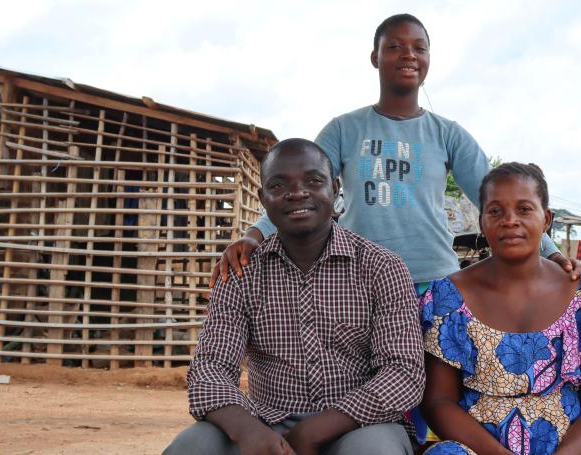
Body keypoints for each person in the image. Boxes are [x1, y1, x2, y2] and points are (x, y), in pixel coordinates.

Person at [209, 13, 581, 292]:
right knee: (370, 391)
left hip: (434, 283)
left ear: (428, 60)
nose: (408, 55)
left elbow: (498, 199)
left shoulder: (448, 134)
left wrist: (552, 253)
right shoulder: (345, 129)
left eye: (418, 48)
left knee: (433, 392)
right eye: (394, 47)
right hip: (358, 280)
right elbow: (300, 190)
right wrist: (255, 236)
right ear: (375, 58)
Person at [164, 139, 425, 455]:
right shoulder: (241, 272)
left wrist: (315, 431)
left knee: (373, 450)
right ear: (263, 199)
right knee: (193, 445)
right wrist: (249, 431)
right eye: (278, 184)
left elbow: (403, 373)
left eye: (314, 181)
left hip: (357, 425)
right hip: (265, 425)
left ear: (335, 188)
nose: (298, 192)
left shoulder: (381, 266)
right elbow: (210, 368)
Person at [419, 163, 581, 455]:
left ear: (547, 220)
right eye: (495, 211)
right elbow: (438, 401)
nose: (509, 220)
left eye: (524, 209)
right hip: (478, 449)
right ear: (481, 222)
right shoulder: (446, 298)